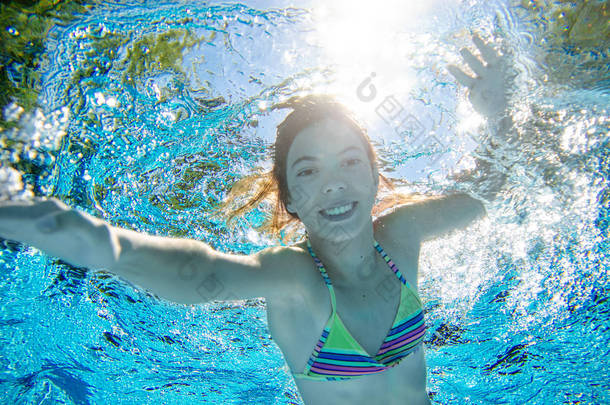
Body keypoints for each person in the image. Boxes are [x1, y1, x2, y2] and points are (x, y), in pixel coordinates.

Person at [0, 35, 512, 404]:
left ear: (376, 176)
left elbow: (483, 191)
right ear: (289, 199)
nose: (333, 183)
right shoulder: (297, 277)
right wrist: (99, 243)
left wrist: (498, 115)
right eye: (308, 171)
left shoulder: (402, 235)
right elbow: (202, 273)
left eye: (350, 162)